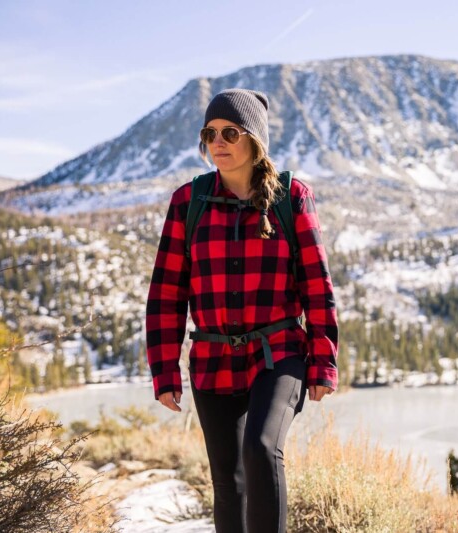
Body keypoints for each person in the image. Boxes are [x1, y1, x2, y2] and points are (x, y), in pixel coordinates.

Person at [145, 88, 338, 533]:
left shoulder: (291, 198)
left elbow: (317, 286)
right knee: (227, 481)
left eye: (231, 132)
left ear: (255, 139)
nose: (219, 141)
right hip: (213, 362)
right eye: (210, 133)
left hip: (280, 353)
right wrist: (165, 372)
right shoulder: (187, 202)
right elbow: (166, 294)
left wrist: (323, 362)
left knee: (262, 447)